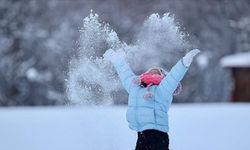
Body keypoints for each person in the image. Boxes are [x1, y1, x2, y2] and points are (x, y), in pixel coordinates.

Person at [103, 48, 200, 150]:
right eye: (150, 71)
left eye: (158, 71)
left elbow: (174, 76)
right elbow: (125, 74)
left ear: (163, 76)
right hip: (141, 134)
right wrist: (117, 59)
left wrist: (184, 62)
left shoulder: (163, 89)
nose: (153, 70)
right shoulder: (135, 87)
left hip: (158, 135)